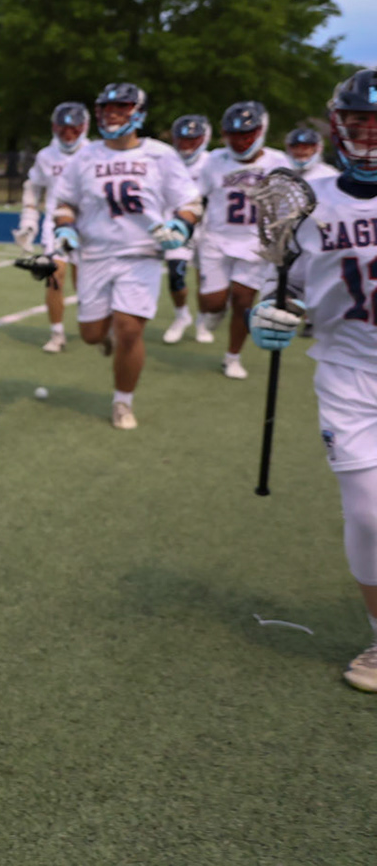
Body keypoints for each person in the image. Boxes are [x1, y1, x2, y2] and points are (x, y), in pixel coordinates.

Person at [248, 70, 377, 693]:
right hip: (347, 371)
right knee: (369, 513)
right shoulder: (308, 201)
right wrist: (271, 314)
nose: (368, 137)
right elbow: (285, 286)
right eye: (358, 123)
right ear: (337, 125)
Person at [49, 83, 201, 429]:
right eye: (107, 107)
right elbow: (65, 203)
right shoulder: (85, 156)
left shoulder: (160, 155)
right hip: (95, 255)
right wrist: (65, 228)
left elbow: (190, 202)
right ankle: (104, 338)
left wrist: (181, 225)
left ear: (138, 112)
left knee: (129, 330)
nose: (113, 114)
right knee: (91, 334)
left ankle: (122, 401)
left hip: (141, 253)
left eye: (122, 107)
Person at [191, 101, 291, 377]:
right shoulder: (214, 161)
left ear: (260, 131)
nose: (239, 140)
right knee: (213, 303)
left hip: (256, 242)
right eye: (233, 134)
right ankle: (214, 312)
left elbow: (289, 205)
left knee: (244, 301)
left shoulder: (279, 163)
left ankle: (232, 357)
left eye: (246, 134)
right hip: (216, 239)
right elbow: (196, 197)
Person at [16, 102, 89, 353]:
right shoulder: (46, 156)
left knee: (85, 284)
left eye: (74, 129)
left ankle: (96, 323)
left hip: (88, 223)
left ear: (84, 127)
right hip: (56, 223)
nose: (68, 134)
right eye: (63, 128)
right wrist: (28, 222)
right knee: (54, 275)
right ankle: (57, 333)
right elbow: (33, 187)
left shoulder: (96, 153)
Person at [161, 115, 212, 344]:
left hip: (208, 228)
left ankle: (202, 321)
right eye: (182, 140)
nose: (186, 145)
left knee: (206, 280)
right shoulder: (166, 160)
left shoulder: (212, 162)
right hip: (178, 225)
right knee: (176, 274)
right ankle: (181, 316)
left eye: (192, 140)